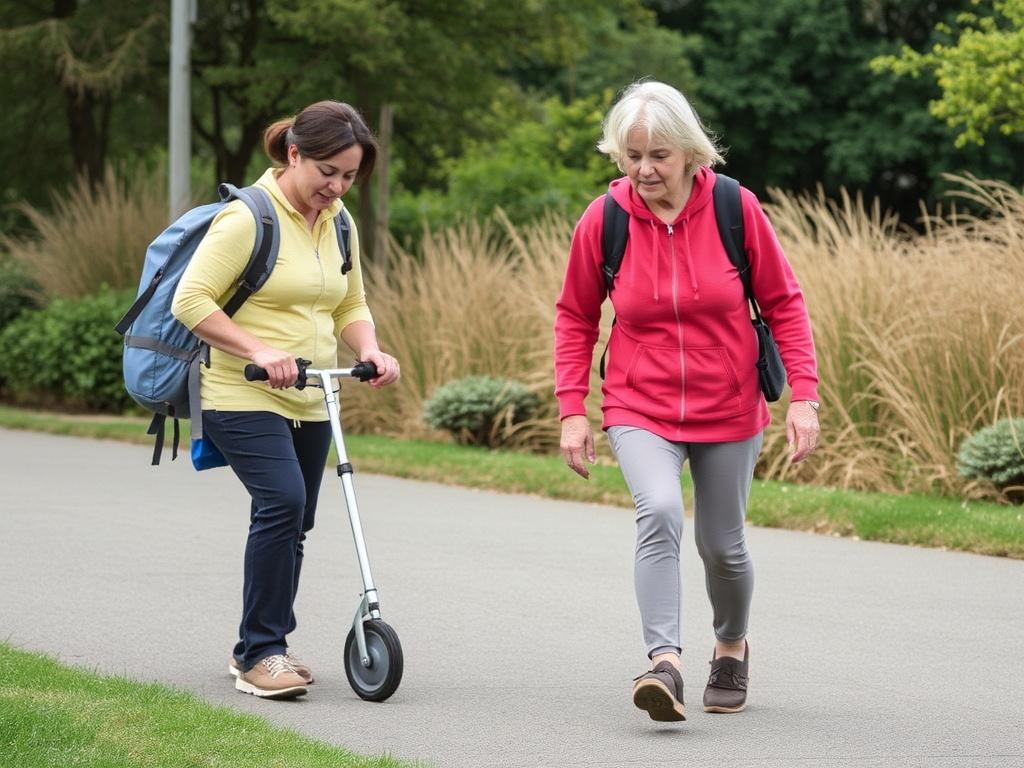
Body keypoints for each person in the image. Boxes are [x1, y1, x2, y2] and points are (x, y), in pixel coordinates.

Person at [554, 81, 820, 721]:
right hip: (637, 403)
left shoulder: (735, 208)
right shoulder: (606, 219)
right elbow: (575, 316)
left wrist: (803, 397)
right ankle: (664, 664)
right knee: (661, 511)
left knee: (723, 544)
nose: (644, 170)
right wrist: (572, 410)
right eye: (631, 155)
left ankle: (730, 646)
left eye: (658, 156)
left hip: (728, 406)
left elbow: (784, 302)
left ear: (691, 155)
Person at [171, 100, 400, 700]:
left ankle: (256, 643)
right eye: (327, 170)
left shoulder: (339, 222)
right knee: (283, 502)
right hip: (238, 389)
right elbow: (191, 302)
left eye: (349, 175)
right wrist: (258, 348)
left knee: (297, 518)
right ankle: (263, 655)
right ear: (293, 154)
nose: (337, 185)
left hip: (312, 390)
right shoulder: (248, 218)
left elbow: (349, 304)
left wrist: (372, 349)